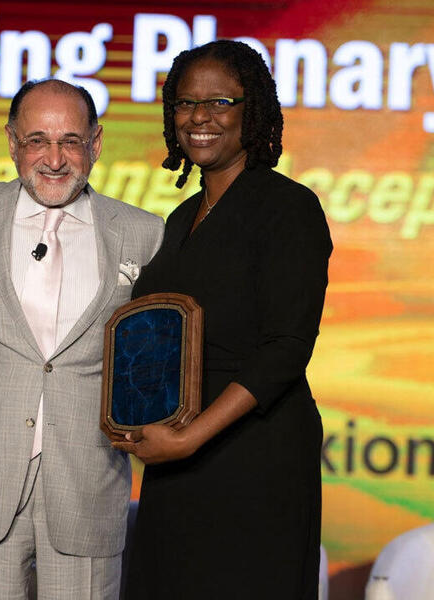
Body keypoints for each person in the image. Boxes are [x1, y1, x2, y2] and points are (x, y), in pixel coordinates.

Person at [114, 40, 332, 599]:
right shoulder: (183, 217)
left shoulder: (289, 208)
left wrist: (191, 439)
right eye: (186, 104)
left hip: (253, 455)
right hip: (178, 456)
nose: (200, 118)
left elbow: (285, 347)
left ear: (251, 111)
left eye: (220, 102)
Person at [0, 79, 164, 599]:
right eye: (38, 140)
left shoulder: (142, 233)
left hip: (87, 484)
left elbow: (153, 360)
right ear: (13, 142)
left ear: (96, 143)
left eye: (71, 141)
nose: (55, 159)